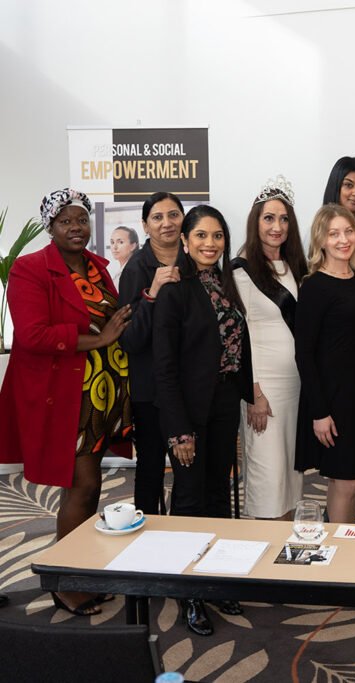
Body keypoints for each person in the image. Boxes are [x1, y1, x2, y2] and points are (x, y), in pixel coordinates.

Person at [0, 188, 131, 616]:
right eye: (65, 221)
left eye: (81, 219)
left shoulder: (97, 267)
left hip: (102, 392)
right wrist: (101, 339)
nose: (76, 227)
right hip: (64, 395)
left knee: (90, 486)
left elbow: (114, 317)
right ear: (50, 227)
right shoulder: (29, 268)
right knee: (82, 485)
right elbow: (33, 335)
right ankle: (65, 582)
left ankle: (82, 572)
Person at [153, 204, 253, 635]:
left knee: (217, 496)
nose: (210, 244)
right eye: (201, 236)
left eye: (217, 236)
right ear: (185, 240)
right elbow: (164, 367)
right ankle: (189, 591)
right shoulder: (175, 289)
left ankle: (214, 581)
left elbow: (236, 344)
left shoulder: (226, 283)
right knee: (190, 501)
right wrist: (179, 430)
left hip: (224, 402)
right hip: (188, 411)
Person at [294, 204, 355, 523]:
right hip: (334, 400)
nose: (343, 240)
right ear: (321, 241)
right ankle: (340, 547)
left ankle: (337, 542)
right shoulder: (314, 286)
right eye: (334, 234)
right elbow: (304, 354)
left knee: (351, 481)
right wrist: (319, 412)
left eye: (348, 231)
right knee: (347, 481)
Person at [232, 176, 308, 519]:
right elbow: (240, 336)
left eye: (283, 219)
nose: (277, 227)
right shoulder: (242, 270)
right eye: (269, 218)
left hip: (295, 388)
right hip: (264, 391)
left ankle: (286, 542)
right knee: (268, 479)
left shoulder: (296, 267)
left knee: (291, 479)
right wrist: (254, 393)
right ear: (255, 222)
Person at [118, 192, 190, 515]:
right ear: (145, 226)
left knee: (189, 467)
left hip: (187, 385)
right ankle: (145, 533)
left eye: (173, 215)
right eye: (157, 217)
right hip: (150, 390)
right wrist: (153, 293)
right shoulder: (136, 268)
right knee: (150, 468)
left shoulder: (194, 260)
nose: (166, 223)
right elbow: (130, 339)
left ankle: (186, 530)